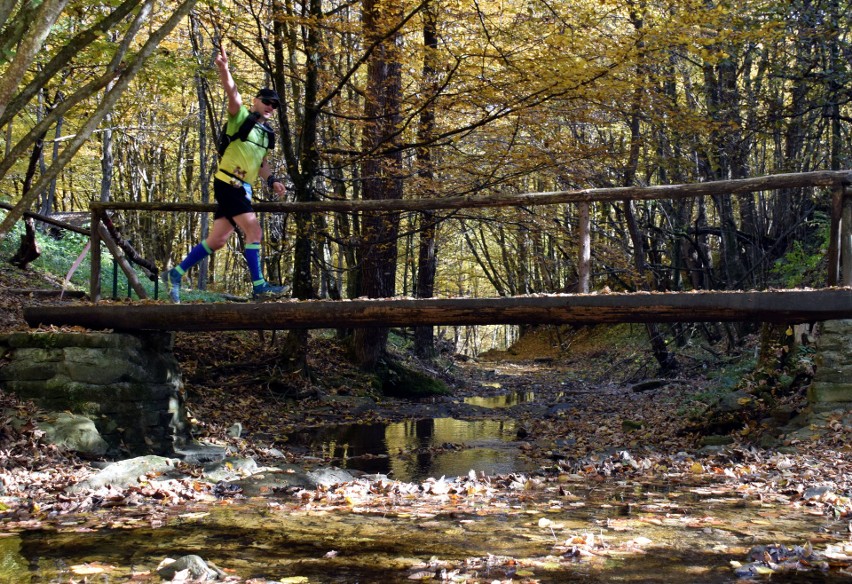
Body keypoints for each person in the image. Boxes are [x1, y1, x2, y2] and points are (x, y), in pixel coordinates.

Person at [163, 45, 287, 303]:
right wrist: (224, 68)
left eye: (274, 105)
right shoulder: (241, 116)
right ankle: (259, 286)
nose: (270, 107)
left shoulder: (267, 135)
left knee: (217, 240)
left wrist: (273, 180)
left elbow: (262, 164)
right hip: (229, 183)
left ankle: (176, 273)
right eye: (266, 102)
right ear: (256, 101)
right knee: (254, 231)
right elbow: (232, 94)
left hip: (243, 188)